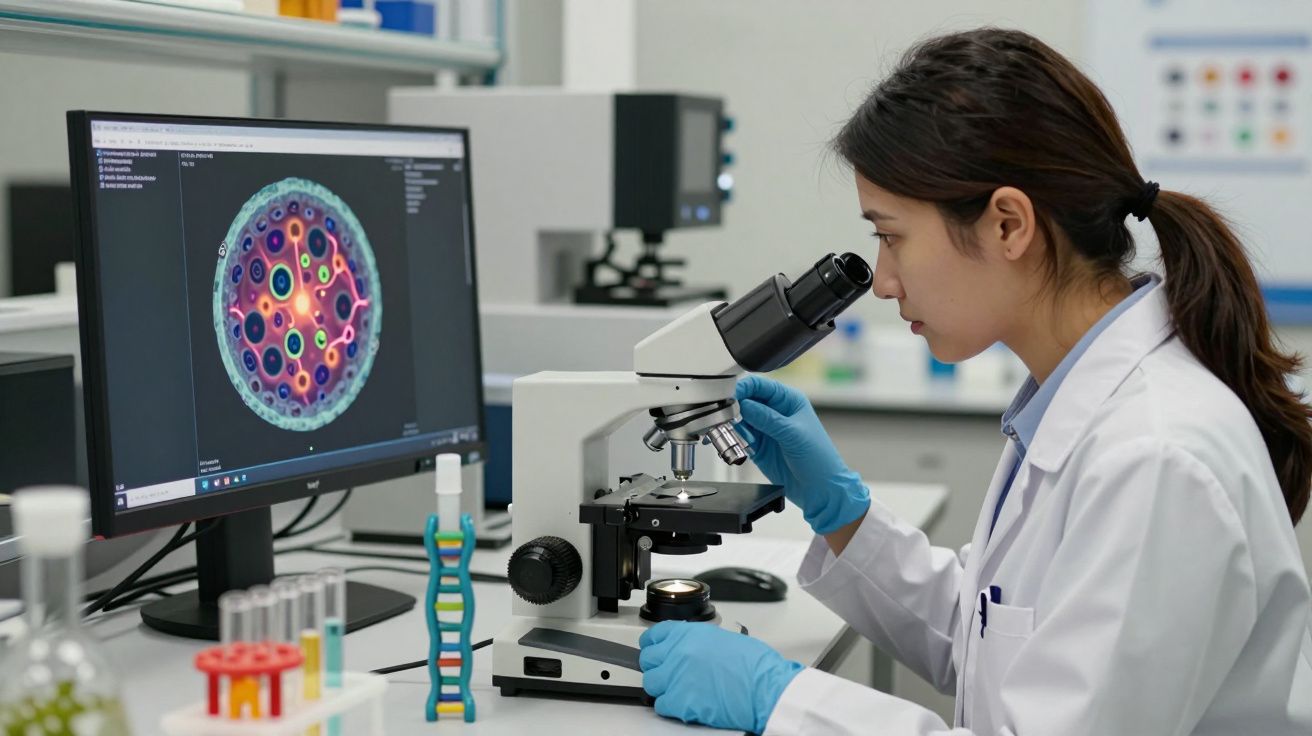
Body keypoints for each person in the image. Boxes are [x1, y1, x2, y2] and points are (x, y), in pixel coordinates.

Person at [637, 28, 1312, 735]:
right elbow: (997, 639)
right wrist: (842, 516)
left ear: (1008, 225)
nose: (884, 281)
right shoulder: (1077, 404)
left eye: (891, 235)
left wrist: (781, 701)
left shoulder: (1155, 458)